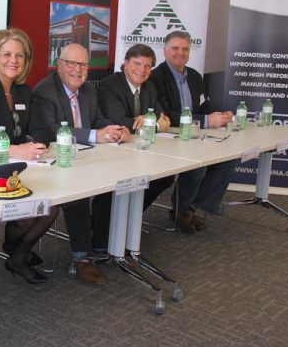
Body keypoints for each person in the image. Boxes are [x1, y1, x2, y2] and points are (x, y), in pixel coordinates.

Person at [0, 28, 58, 284]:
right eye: (6, 54)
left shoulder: (24, 91)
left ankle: (17, 253)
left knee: (51, 204)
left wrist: (32, 146)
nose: (13, 61)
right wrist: (15, 150)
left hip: (23, 166)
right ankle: (16, 251)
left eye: (20, 55)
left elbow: (42, 130)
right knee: (39, 209)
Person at [29, 43, 127, 285]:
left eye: (83, 64)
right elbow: (53, 131)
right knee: (79, 192)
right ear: (59, 65)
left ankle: (102, 246)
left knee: (113, 183)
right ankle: (82, 258)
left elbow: (98, 120)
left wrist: (114, 130)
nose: (78, 70)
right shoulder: (45, 91)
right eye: (71, 63)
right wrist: (96, 135)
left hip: (87, 157)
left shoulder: (88, 91)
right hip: (56, 162)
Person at [150, 31, 239, 233]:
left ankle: (189, 207)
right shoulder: (155, 77)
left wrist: (216, 115)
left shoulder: (195, 76)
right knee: (197, 166)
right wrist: (207, 120)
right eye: (175, 48)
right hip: (170, 138)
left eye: (185, 49)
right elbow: (166, 115)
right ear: (165, 51)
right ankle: (182, 210)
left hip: (197, 136)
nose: (180, 53)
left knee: (229, 160)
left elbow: (203, 104)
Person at [95, 44, 176, 243]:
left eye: (148, 66)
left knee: (164, 177)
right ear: (125, 63)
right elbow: (121, 123)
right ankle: (102, 229)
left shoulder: (149, 86)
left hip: (138, 149)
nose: (142, 70)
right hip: (112, 150)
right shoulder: (109, 85)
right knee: (119, 182)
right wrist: (155, 126)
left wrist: (148, 120)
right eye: (137, 63)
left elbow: (160, 114)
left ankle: (129, 214)